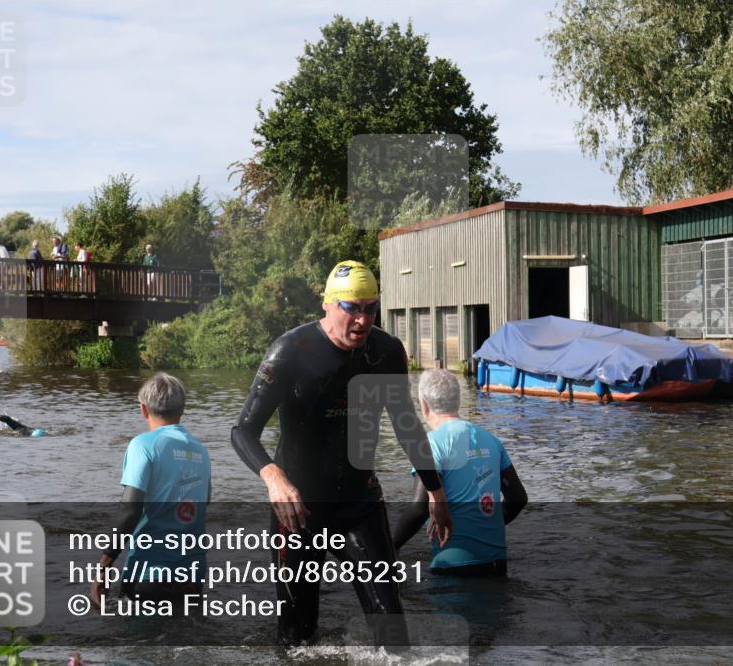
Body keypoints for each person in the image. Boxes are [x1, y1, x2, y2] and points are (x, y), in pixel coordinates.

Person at [231, 259, 452, 648]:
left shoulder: (386, 352)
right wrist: (272, 476)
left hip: (360, 503)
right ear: (328, 305)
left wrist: (436, 493)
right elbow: (242, 431)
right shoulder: (291, 351)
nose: (363, 320)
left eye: (371, 308)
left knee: (393, 634)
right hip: (298, 510)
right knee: (297, 640)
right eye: (352, 307)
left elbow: (407, 427)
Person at [89, 373, 210, 605]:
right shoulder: (201, 451)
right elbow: (204, 504)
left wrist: (103, 567)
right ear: (182, 409)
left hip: (149, 573)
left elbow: (130, 511)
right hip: (193, 574)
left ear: (143, 409)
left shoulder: (143, 445)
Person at [393, 369, 527, 576]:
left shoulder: (431, 444)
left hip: (453, 564)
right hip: (497, 562)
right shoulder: (491, 439)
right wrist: (482, 525)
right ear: (457, 400)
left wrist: (391, 545)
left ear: (424, 405)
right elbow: (518, 498)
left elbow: (420, 508)